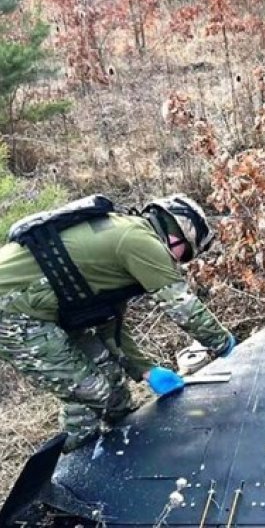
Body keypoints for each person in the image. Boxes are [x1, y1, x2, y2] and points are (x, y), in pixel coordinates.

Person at [0, 194, 237, 452]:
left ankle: (121, 442)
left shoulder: (125, 238)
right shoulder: (140, 241)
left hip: (41, 306)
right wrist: (224, 344)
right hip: (12, 309)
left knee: (114, 386)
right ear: (177, 233)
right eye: (187, 253)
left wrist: (145, 370)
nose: (180, 262)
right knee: (91, 390)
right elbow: (181, 306)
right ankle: (70, 460)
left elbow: (110, 325)